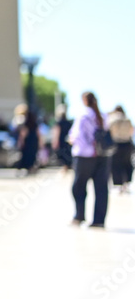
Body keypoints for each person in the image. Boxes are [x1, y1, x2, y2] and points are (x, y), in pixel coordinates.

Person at [68, 91, 109, 227]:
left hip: (84, 157)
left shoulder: (83, 116)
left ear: (84, 101)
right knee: (101, 189)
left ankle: (79, 216)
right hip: (102, 156)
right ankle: (99, 220)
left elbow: (77, 136)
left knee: (78, 187)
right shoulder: (103, 116)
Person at [106, 105, 133, 194]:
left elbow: (108, 129)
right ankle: (127, 183)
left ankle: (119, 185)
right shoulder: (127, 119)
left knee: (116, 165)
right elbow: (132, 130)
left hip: (116, 143)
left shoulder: (113, 118)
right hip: (127, 143)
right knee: (127, 164)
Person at [51, 105, 73, 172]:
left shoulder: (59, 122)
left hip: (61, 140)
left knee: (62, 154)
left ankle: (65, 167)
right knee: (67, 153)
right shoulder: (69, 122)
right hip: (66, 140)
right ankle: (66, 166)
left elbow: (57, 132)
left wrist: (55, 141)